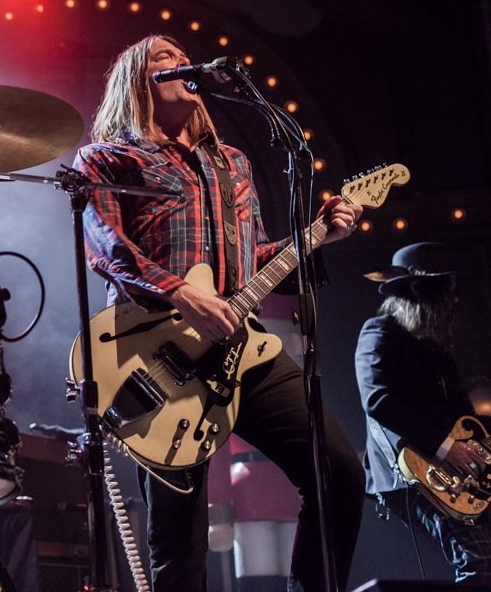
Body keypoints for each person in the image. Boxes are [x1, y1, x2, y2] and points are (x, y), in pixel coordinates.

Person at [73, 34, 365, 592]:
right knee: (180, 542)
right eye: (164, 58)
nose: (181, 63)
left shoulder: (231, 163)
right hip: (158, 353)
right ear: (138, 80)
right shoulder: (109, 158)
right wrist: (182, 294)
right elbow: (106, 244)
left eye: (184, 57)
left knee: (340, 475)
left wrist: (318, 235)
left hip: (241, 346)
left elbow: (252, 258)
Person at [355, 242, 491, 584]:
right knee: (479, 560)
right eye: (448, 290)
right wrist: (446, 447)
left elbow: (461, 409)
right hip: (412, 471)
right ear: (418, 288)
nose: (455, 300)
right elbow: (377, 399)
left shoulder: (434, 346)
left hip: (458, 468)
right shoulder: (380, 331)